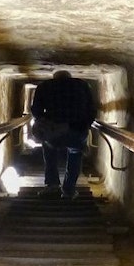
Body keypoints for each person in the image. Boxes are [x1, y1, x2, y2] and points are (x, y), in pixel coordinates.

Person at [30, 70, 97, 199]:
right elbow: (91, 109)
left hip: (53, 131)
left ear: (54, 78)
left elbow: (36, 111)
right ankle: (69, 190)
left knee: (49, 150)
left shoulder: (45, 86)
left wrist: (46, 123)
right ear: (70, 77)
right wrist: (85, 125)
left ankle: (52, 185)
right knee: (75, 155)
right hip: (77, 129)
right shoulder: (83, 85)